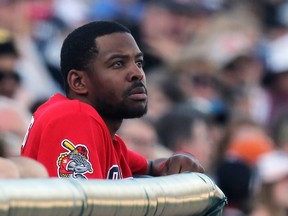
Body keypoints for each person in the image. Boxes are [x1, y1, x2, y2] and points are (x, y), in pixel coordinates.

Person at [21, 21, 204, 179]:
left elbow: (151, 167)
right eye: (118, 64)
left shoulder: (104, 136)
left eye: (139, 63)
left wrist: (180, 160)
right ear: (79, 82)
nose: (137, 74)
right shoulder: (74, 117)